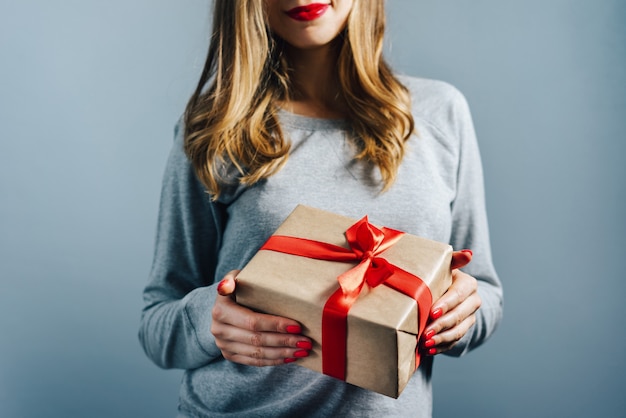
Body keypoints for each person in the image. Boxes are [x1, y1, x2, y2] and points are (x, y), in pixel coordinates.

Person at [138, 0, 503, 416]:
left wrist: (461, 316)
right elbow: (157, 323)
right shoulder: (215, 126)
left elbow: (483, 292)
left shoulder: (441, 113)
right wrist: (210, 322)